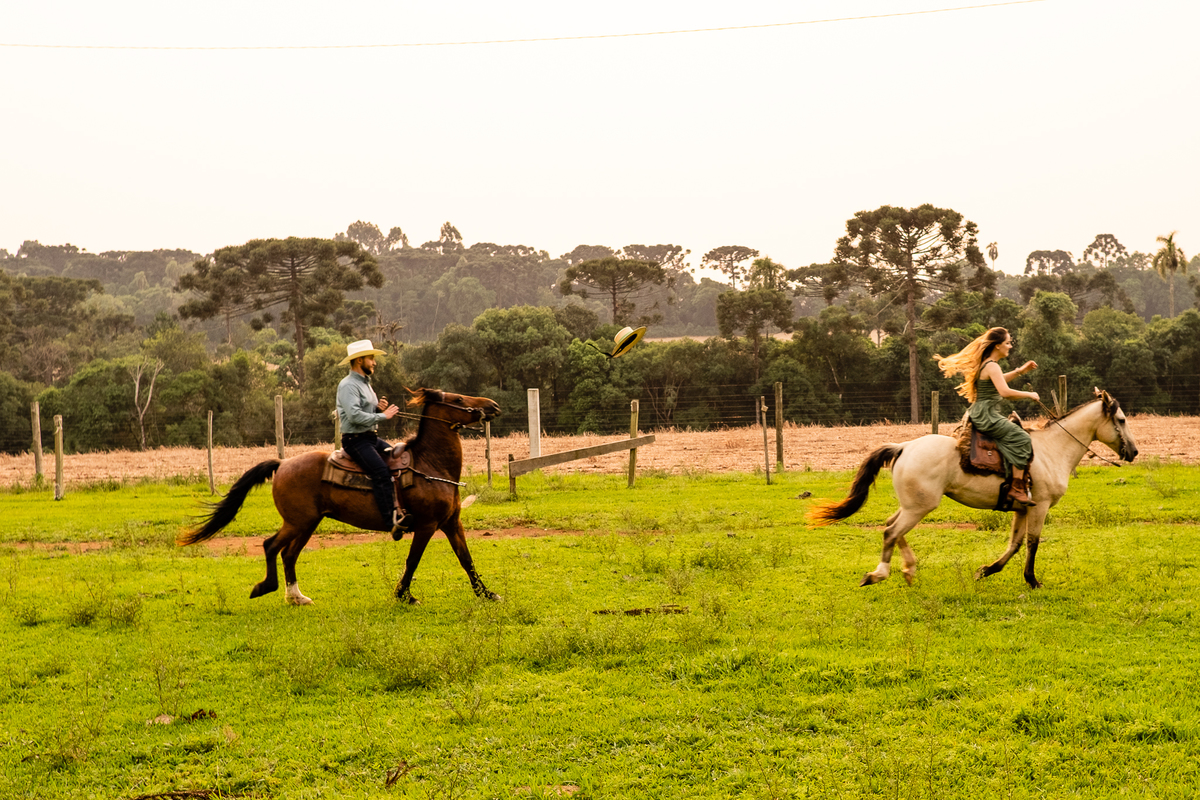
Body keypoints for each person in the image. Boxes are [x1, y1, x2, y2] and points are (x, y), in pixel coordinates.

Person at [935, 327, 1040, 506]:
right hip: (987, 416)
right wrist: (1029, 395)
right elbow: (1005, 392)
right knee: (1022, 438)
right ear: (998, 345)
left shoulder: (988, 364)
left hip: (982, 412)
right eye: (1008, 343)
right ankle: (1016, 486)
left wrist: (1020, 371)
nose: (1010, 346)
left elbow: (999, 379)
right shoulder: (992, 365)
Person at [335, 339, 407, 538]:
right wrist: (383, 416)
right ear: (359, 360)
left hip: (370, 438)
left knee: (398, 460)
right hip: (355, 440)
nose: (374, 362)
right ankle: (390, 522)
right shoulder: (348, 385)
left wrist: (376, 408)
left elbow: (363, 410)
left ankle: (401, 509)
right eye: (371, 358)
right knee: (381, 472)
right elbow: (354, 416)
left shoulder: (365, 383)